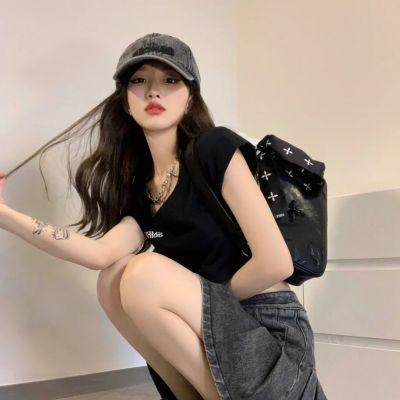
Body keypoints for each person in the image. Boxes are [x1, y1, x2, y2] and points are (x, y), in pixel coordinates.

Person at [0, 33, 327, 399]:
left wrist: (196, 299)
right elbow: (98, 254)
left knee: (143, 274)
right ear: (125, 102)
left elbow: (275, 262)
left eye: (170, 80)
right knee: (113, 279)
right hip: (219, 338)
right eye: (139, 80)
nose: (153, 92)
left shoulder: (213, 147)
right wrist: (5, 215)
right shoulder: (143, 189)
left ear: (190, 99)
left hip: (269, 334)